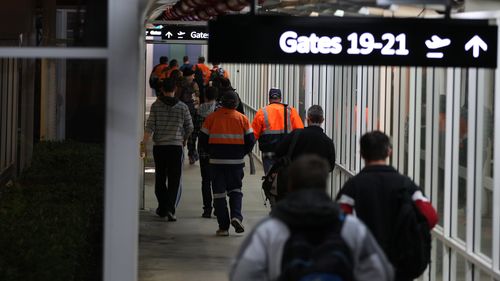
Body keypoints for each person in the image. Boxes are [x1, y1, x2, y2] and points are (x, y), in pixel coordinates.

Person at [230, 155, 394, 281]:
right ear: (324, 185)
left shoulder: (269, 229)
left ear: (290, 185)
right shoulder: (351, 228)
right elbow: (380, 272)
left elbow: (242, 274)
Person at [336, 131, 438, 281]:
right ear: (389, 152)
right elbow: (431, 217)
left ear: (362, 154)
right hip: (401, 263)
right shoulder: (406, 185)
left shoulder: (352, 187)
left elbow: (338, 222)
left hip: (366, 265)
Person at [199, 91, 255, 236]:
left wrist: (210, 152)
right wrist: (241, 153)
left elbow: (202, 139)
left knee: (219, 194)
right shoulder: (242, 119)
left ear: (221, 103)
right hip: (236, 162)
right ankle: (236, 216)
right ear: (236, 104)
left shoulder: (211, 118)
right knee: (235, 190)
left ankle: (223, 227)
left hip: (216, 162)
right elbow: (250, 140)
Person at [142, 78, 194, 222]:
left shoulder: (156, 106)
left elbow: (150, 127)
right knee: (174, 180)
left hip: (160, 148)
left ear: (162, 90)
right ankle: (170, 209)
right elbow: (190, 127)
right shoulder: (183, 107)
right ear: (175, 90)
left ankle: (163, 207)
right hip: (176, 148)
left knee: (160, 179)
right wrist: (183, 140)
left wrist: (143, 144)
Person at [272, 105, 335, 200]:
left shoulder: (295, 135)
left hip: (294, 183)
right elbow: (330, 166)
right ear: (322, 120)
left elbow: (278, 152)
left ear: (307, 119)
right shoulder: (328, 142)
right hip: (316, 189)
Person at [252, 88, 304, 174]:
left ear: (269, 99)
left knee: (270, 180)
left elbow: (253, 136)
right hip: (287, 154)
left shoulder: (262, 112)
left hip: (269, 154)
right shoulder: (291, 111)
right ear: (280, 99)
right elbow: (300, 132)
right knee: (286, 180)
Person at [197, 86, 218, 218]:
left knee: (205, 180)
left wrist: (192, 148)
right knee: (217, 180)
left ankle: (207, 209)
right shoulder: (219, 111)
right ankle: (218, 207)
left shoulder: (199, 110)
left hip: (203, 149)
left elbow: (195, 131)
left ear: (205, 96)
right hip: (217, 149)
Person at [179, 68, 201, 164]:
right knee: (192, 134)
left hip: (180, 110)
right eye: (192, 75)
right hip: (191, 111)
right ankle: (191, 155)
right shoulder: (194, 84)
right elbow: (197, 98)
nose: (194, 76)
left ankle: (180, 155)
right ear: (189, 76)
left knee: (180, 133)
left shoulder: (179, 84)